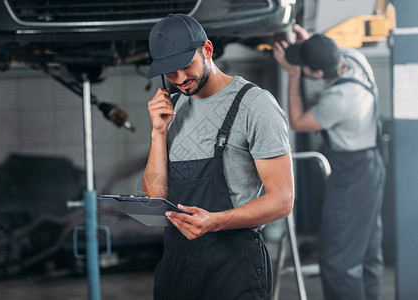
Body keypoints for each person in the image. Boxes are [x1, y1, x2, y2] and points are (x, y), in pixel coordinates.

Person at [142, 14, 294, 300]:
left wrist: (214, 221)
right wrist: (158, 133)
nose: (180, 80)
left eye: (186, 66)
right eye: (170, 72)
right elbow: (155, 197)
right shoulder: (170, 109)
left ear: (207, 51)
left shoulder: (255, 105)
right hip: (177, 264)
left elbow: (282, 200)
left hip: (233, 265)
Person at [273, 25, 386, 300]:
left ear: (318, 74)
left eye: (307, 67)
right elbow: (326, 50)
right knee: (367, 251)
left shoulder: (338, 100)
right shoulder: (354, 57)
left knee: (338, 261)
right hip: (372, 164)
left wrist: (293, 74)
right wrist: (310, 43)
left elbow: (299, 122)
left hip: (353, 172)